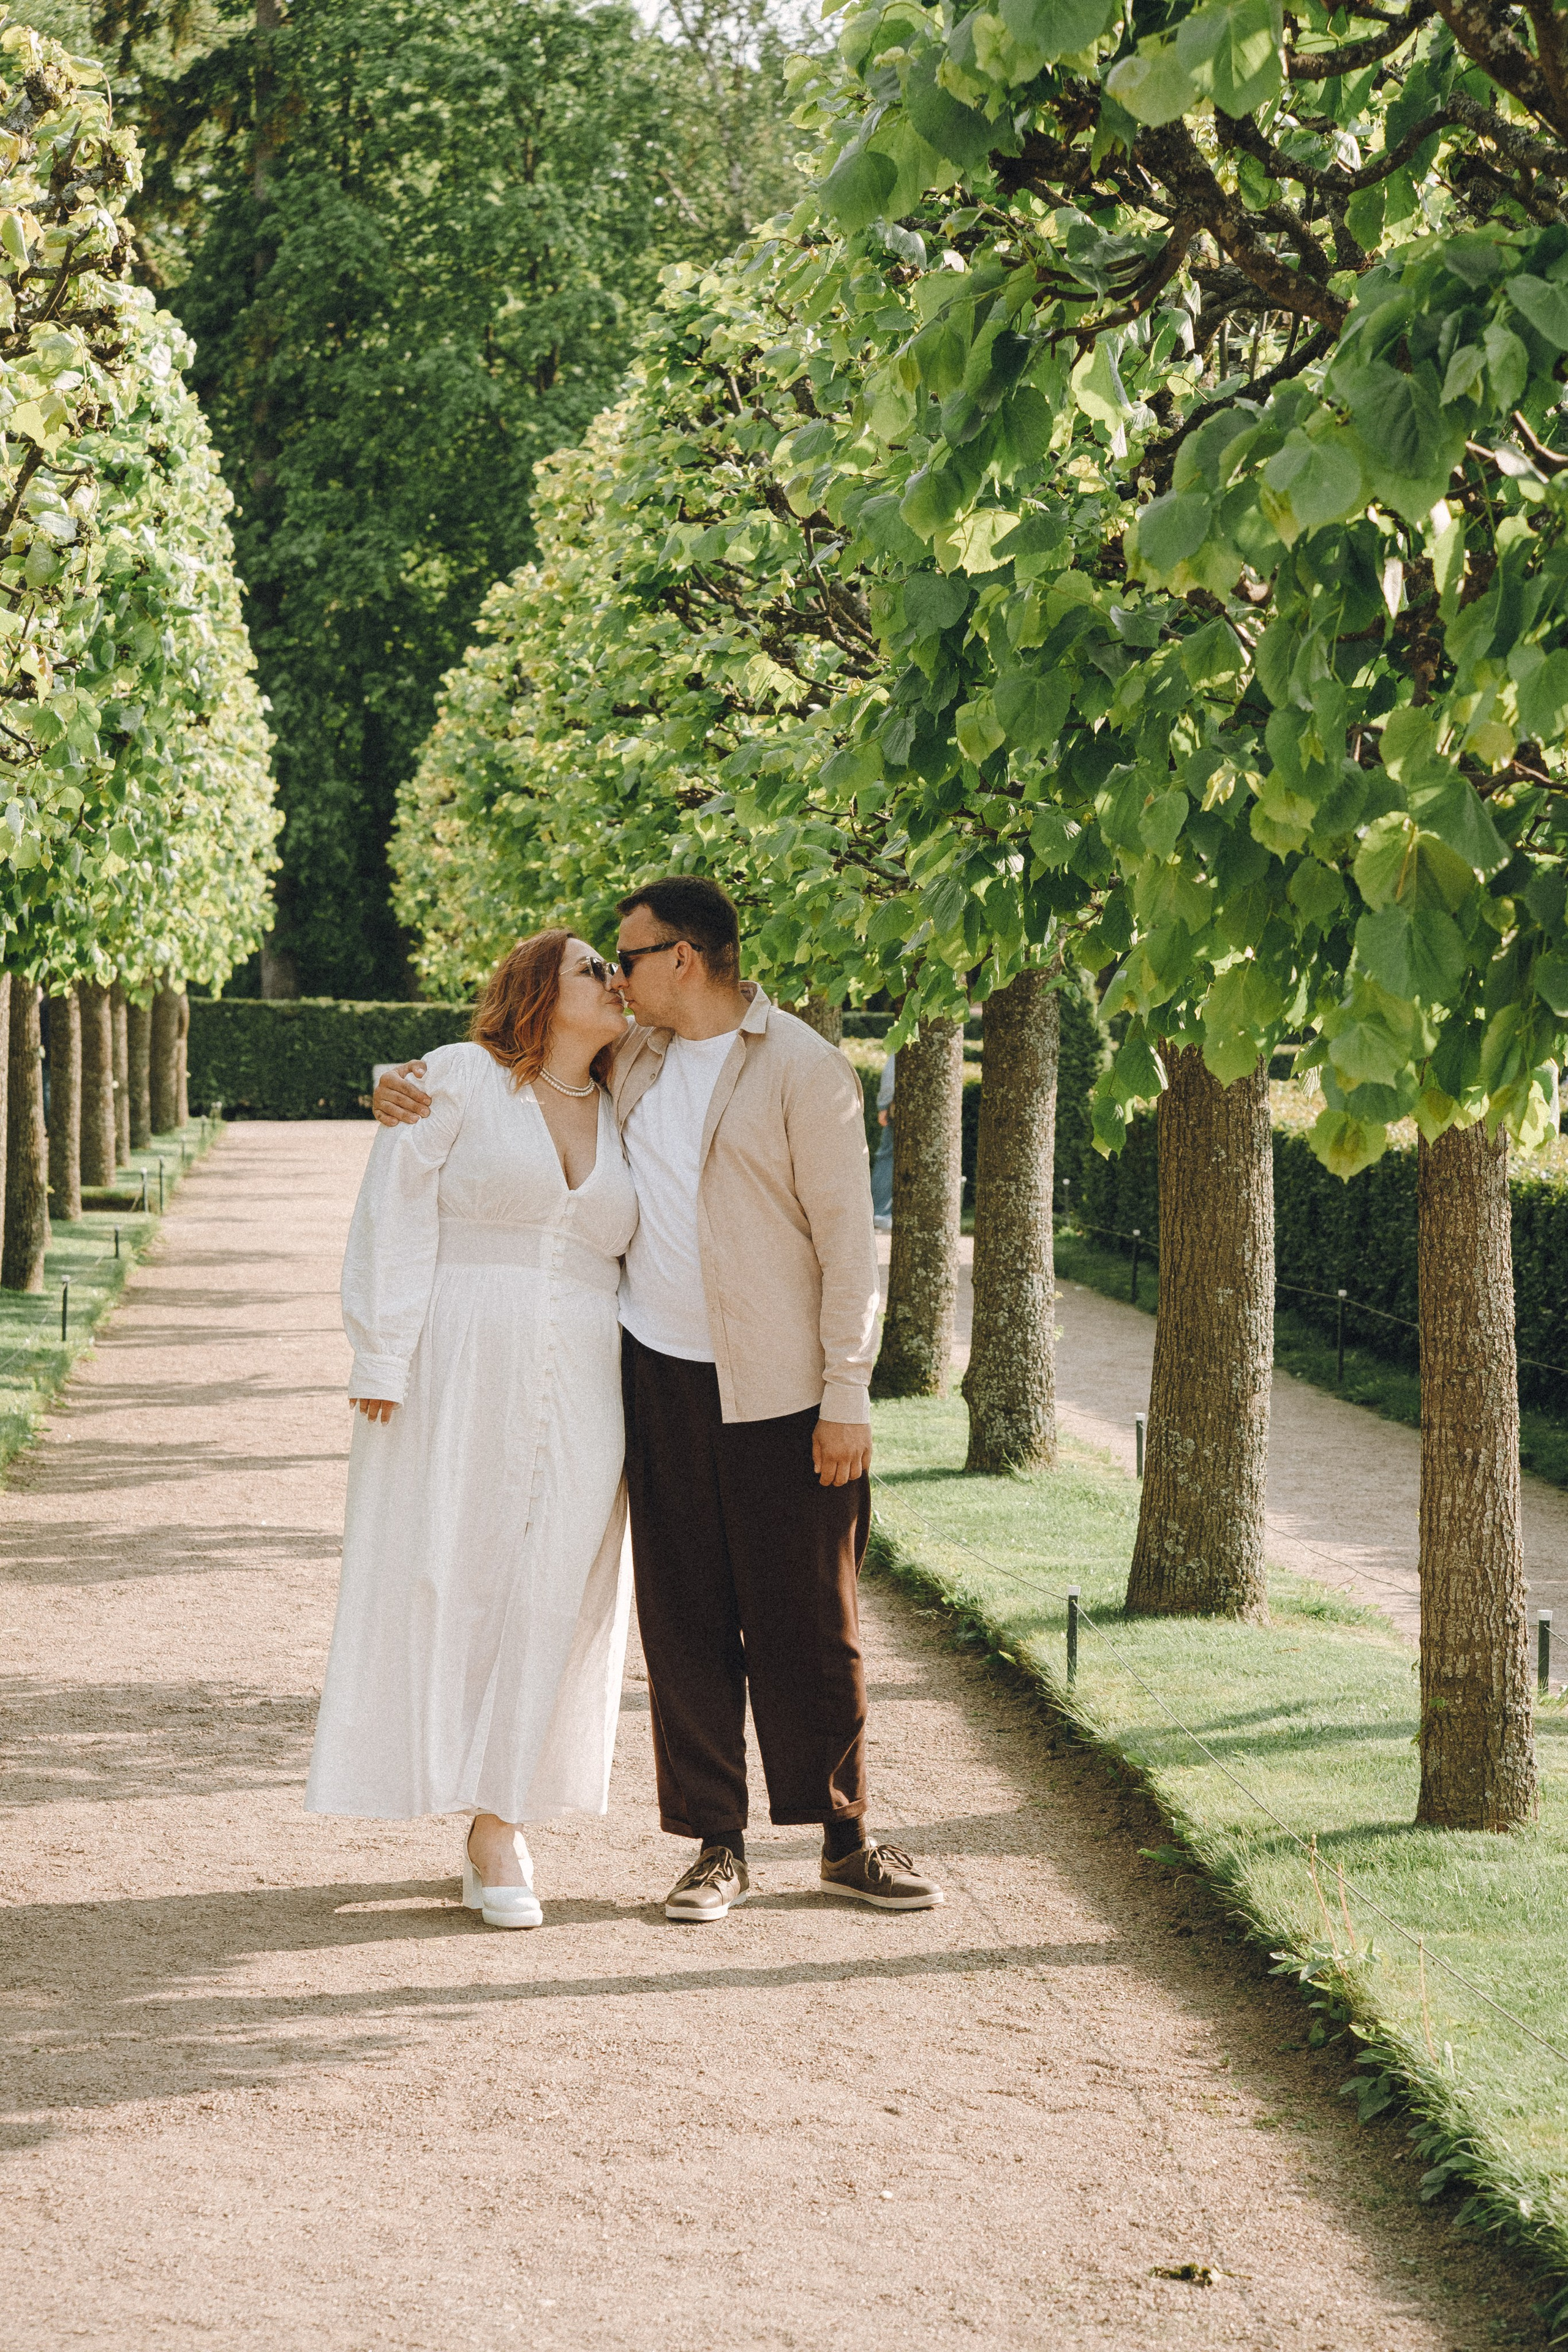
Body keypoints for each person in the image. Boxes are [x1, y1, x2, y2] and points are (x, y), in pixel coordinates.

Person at [374, 877, 944, 1923]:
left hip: (784, 1390)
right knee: (684, 1618)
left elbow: (847, 1247)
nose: (617, 978)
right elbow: (514, 1070)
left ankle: (845, 1839)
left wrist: (847, 1391)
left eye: (627, 958)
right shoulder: (632, 1057)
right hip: (656, 1376)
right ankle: (715, 1848)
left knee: (814, 1615)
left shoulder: (807, 1071)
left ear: (684, 957)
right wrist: (398, 1079)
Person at [306, 932, 638, 1929]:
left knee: (556, 1588)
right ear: (539, 991)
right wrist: (381, 1353)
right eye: (593, 969)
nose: (615, 983)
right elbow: (395, 1204)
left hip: (591, 1369)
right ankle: (453, 1790)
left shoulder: (635, 1100)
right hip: (458, 1356)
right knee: (447, 1571)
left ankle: (504, 1820)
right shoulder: (456, 1078)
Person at [871, 1049, 895, 1231]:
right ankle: (882, 1211)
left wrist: (883, 1105)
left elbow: (891, 1073)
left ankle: (878, 1211)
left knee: (887, 1157)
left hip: (898, 1106)